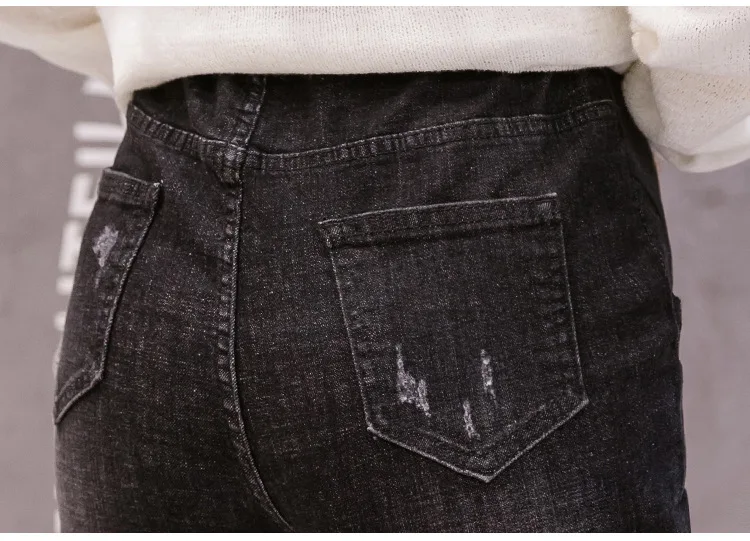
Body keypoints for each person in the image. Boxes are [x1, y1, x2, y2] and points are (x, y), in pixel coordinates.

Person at [1, 6, 748, 533]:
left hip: (162, 185)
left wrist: (182, 34)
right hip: (485, 168)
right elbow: (712, 29)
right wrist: (684, 112)